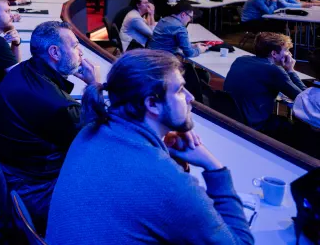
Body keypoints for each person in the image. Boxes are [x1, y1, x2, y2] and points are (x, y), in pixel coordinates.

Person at [47, 50, 253, 245]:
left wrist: (160, 145)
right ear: (152, 104)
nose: (191, 98)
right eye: (180, 90)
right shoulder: (167, 181)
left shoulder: (90, 130)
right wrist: (214, 167)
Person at [0, 21, 100, 234]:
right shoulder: (57, 105)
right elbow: (96, 139)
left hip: (13, 172)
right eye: (75, 46)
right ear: (55, 52)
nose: (81, 52)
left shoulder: (24, 69)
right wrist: (94, 86)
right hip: (36, 189)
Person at [225, 31, 308, 134]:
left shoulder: (241, 60)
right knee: (296, 128)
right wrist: (290, 70)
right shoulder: (274, 70)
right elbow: (303, 98)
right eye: (286, 50)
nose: (289, 54)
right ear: (274, 53)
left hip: (232, 117)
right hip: (255, 125)